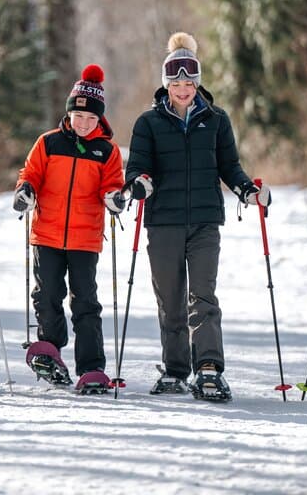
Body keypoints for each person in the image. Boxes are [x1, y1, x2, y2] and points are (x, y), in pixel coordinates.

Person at [124, 32, 270, 402]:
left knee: (202, 296)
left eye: (189, 83)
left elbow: (230, 168)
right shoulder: (148, 124)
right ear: (166, 84)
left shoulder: (217, 120)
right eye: (176, 83)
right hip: (164, 223)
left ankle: (208, 368)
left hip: (205, 221)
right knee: (170, 300)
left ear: (197, 83)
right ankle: (175, 370)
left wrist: (248, 191)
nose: (183, 89)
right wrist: (139, 184)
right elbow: (137, 169)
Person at [13, 65, 126, 394]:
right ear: (69, 112)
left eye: (91, 119)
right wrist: (25, 191)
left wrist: (114, 199)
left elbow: (112, 186)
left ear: (100, 120)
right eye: (79, 116)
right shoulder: (47, 143)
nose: (84, 123)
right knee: (47, 295)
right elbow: (30, 174)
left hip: (84, 238)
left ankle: (91, 366)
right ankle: (50, 350)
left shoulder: (107, 151)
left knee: (85, 302)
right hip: (46, 233)